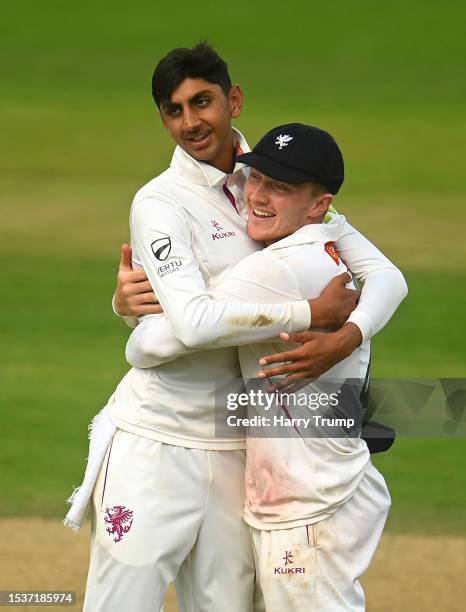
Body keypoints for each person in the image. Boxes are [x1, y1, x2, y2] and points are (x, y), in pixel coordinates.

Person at [69, 43, 406, 611]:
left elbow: (388, 276)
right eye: (174, 110)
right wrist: (309, 315)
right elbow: (183, 330)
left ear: (235, 101)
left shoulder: (274, 179)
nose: (191, 121)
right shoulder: (161, 202)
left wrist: (345, 337)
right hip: (160, 440)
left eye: (202, 102)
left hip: (240, 447)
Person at [126, 123, 396, 610]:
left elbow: (148, 348)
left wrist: (132, 313)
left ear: (319, 204)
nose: (259, 196)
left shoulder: (276, 268)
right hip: (322, 487)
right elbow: (390, 277)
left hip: (307, 505)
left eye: (281, 188)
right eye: (256, 179)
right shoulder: (327, 238)